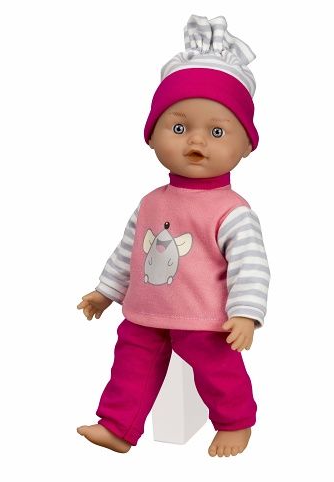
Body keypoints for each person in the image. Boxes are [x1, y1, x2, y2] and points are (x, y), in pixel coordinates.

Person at [76, 14, 270, 457]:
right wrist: (105, 292)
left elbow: (251, 266)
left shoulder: (232, 211)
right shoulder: (151, 202)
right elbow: (129, 252)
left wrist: (245, 314)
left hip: (205, 318)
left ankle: (236, 422)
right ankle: (118, 426)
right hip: (146, 311)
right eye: (179, 128)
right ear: (151, 136)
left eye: (217, 132)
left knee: (218, 371)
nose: (196, 142)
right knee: (131, 365)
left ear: (245, 146)